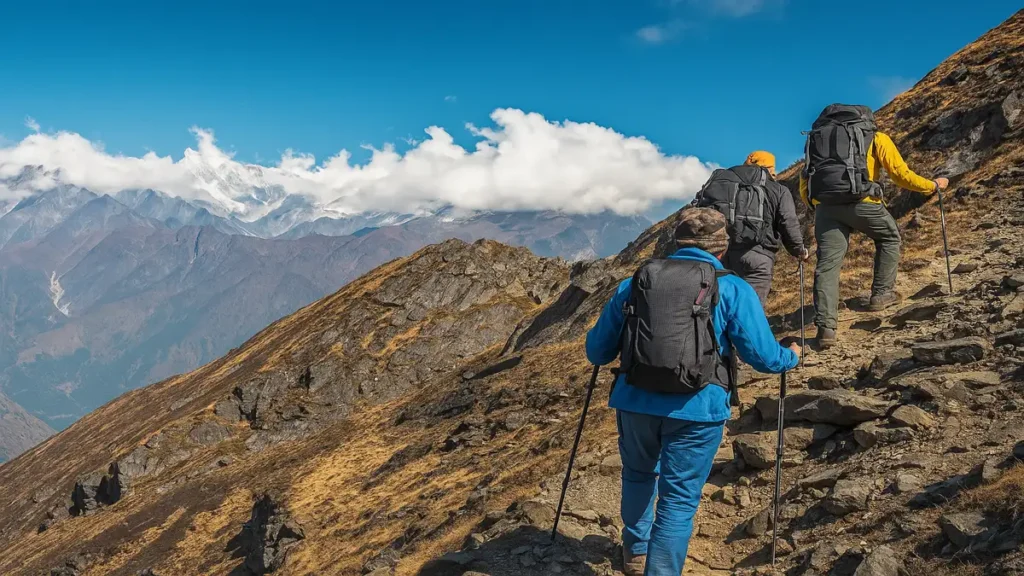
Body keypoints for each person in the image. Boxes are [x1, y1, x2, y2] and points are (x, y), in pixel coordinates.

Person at [585, 208, 800, 576]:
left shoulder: (634, 283)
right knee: (679, 499)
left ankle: (635, 554)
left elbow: (597, 352)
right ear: (722, 248)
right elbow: (763, 357)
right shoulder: (732, 287)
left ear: (676, 243)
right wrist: (790, 357)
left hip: (635, 401)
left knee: (638, 476)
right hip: (698, 408)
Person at [799, 104, 949, 349]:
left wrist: (817, 205)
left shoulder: (816, 141)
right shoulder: (875, 137)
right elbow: (900, 174)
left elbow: (805, 180)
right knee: (889, 238)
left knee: (827, 266)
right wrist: (931, 186)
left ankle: (826, 328)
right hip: (863, 202)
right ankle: (881, 294)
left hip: (826, 207)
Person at [695, 150, 808, 304]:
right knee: (751, 310)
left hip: (720, 255)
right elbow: (788, 222)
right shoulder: (778, 189)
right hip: (758, 257)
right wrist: (798, 250)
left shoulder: (721, 183)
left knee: (719, 308)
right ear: (770, 167)